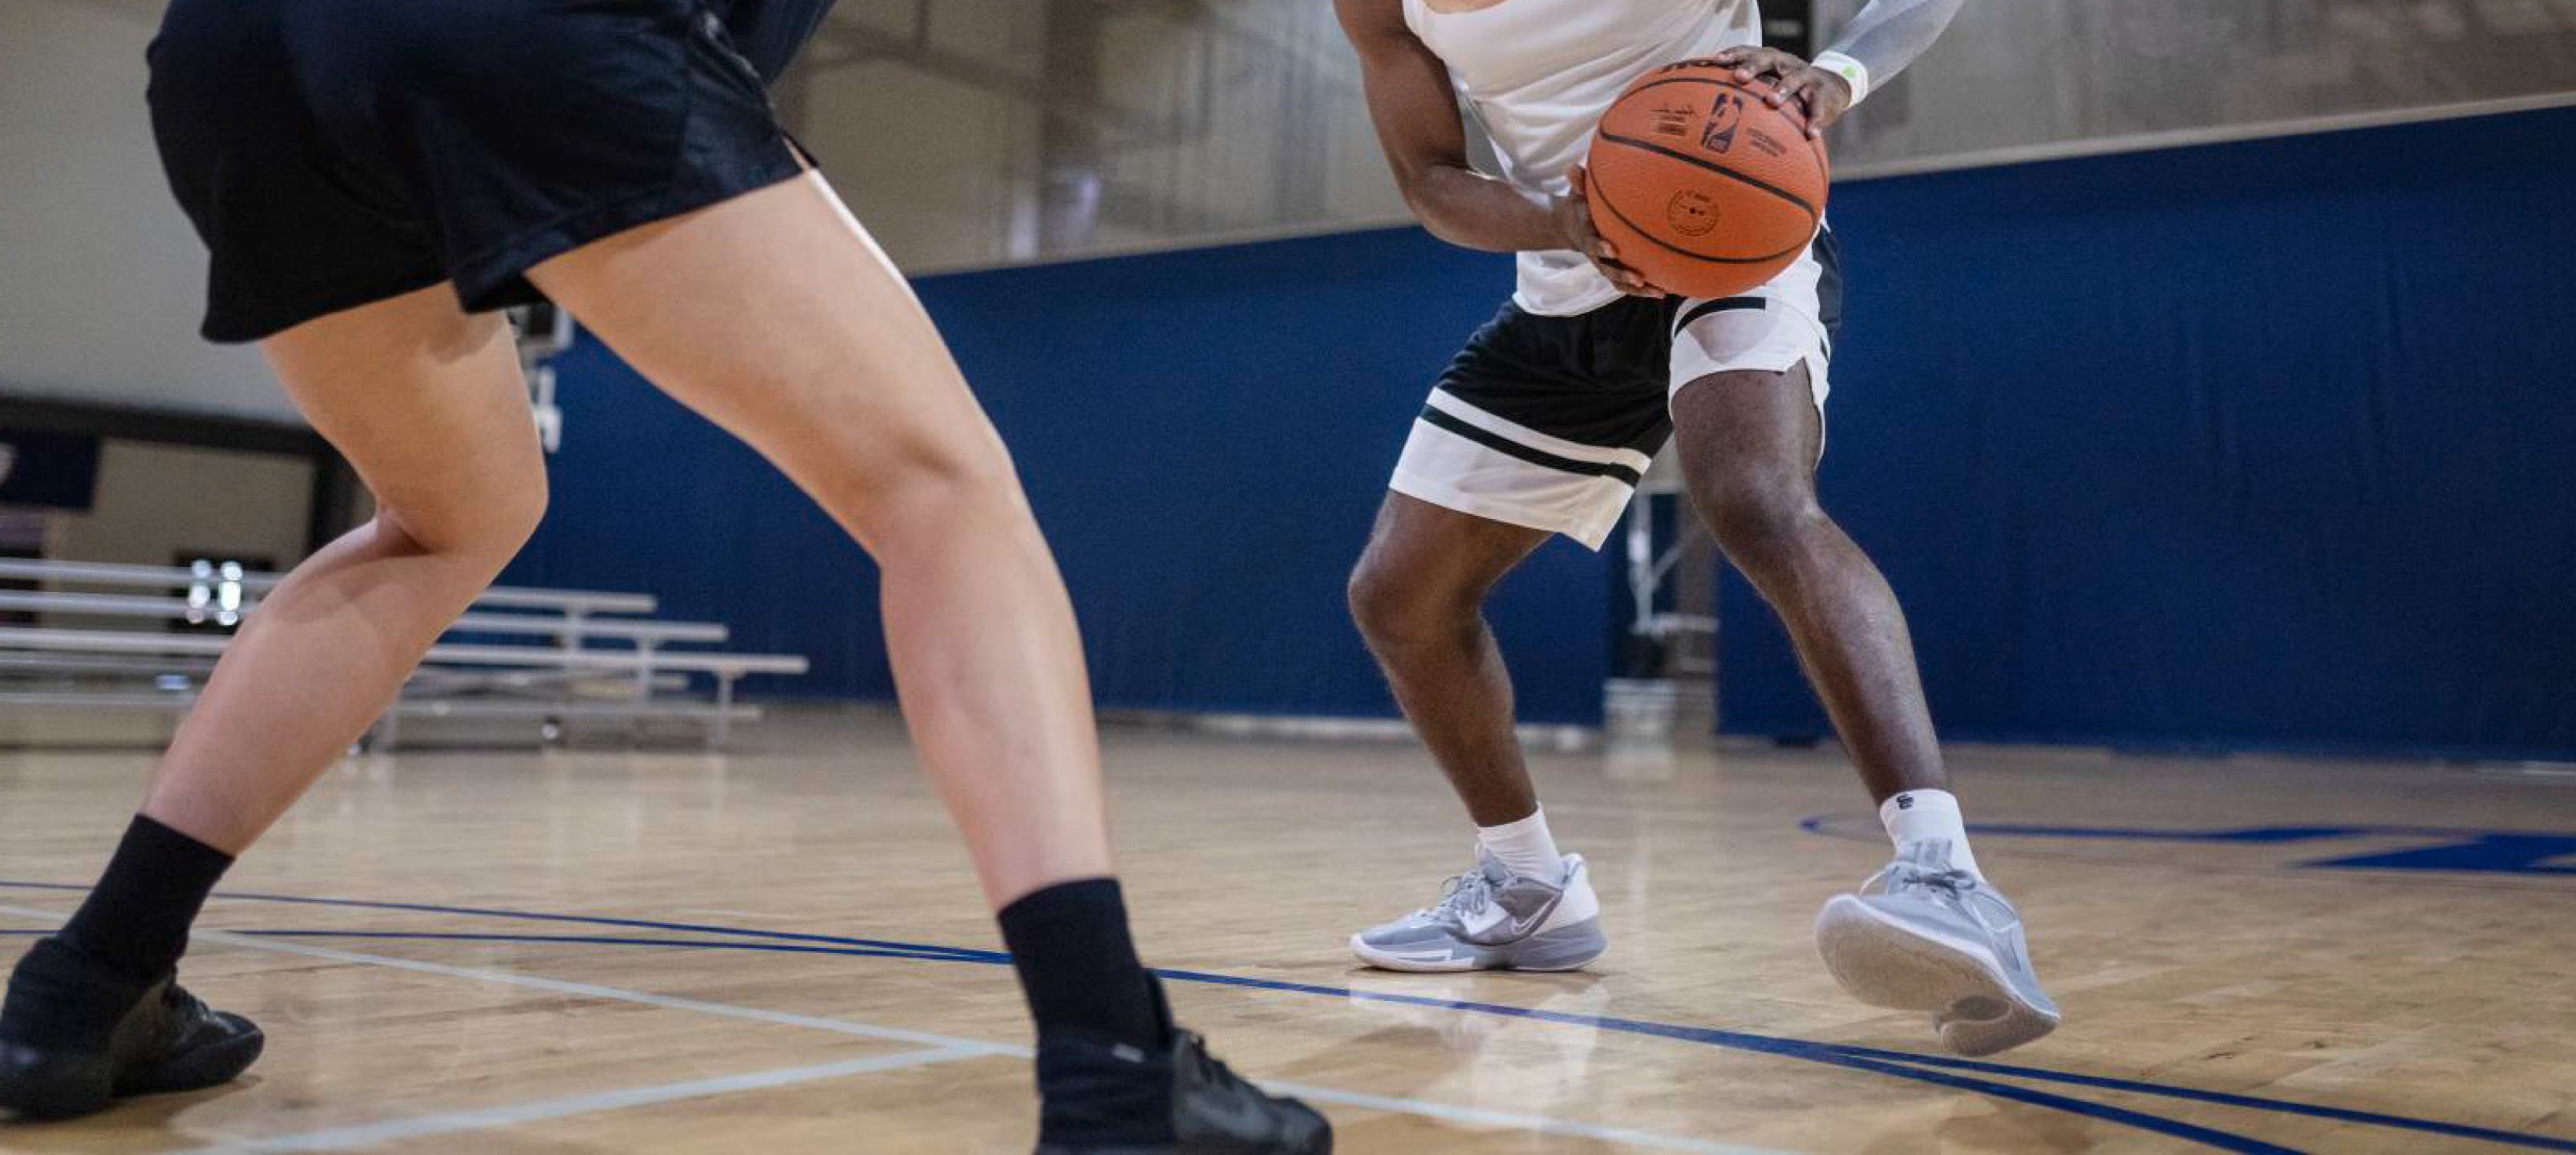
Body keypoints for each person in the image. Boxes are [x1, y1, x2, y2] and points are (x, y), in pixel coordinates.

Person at [0, 1, 1330, 1149]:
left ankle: (88, 984)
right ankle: (1115, 1068)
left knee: (447, 520)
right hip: (522, 31)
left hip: (236, 52)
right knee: (941, 495)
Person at [1333, 0, 2057, 1056]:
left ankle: (1944, 876)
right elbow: (1432, 184)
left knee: (1753, 497)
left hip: (1737, 238)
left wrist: (1839, 73)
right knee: (1400, 596)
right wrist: (1559, 223)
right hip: (1572, 278)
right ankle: (1531, 890)